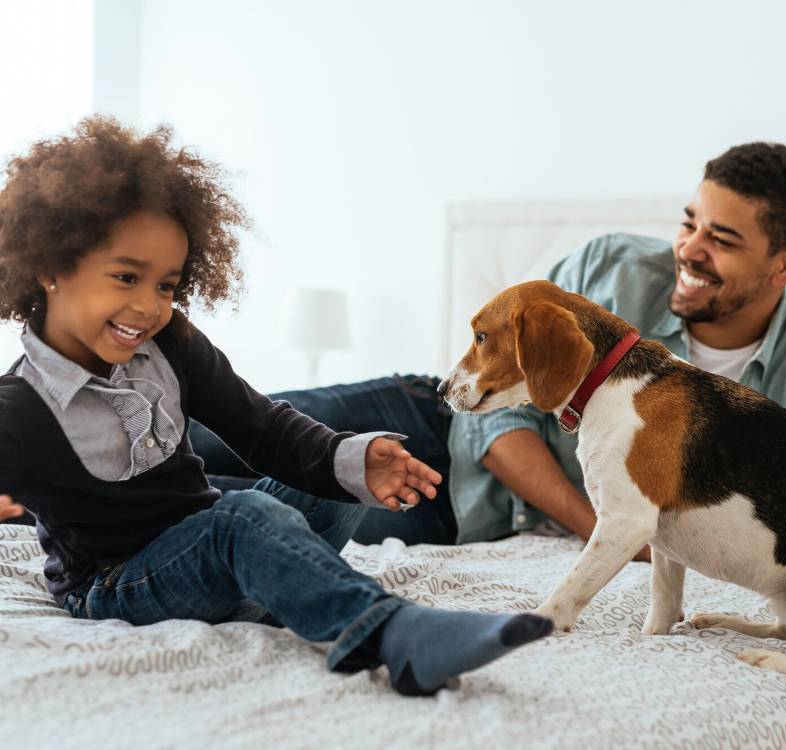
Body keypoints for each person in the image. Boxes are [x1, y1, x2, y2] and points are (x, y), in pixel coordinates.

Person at [0, 116, 552, 697]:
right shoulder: (20, 407)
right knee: (241, 520)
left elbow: (262, 427)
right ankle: (395, 636)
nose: (147, 306)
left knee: (326, 479)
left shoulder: (171, 344)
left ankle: (270, 583)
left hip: (200, 538)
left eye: (165, 285)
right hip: (117, 583)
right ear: (51, 267)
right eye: (125, 277)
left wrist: (351, 459)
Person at [188, 143, 786, 558]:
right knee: (219, 429)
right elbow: (498, 419)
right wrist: (608, 533)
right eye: (691, 222)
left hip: (463, 513)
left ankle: (103, 511)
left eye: (723, 239)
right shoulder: (610, 270)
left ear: (785, 266)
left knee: (243, 513)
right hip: (436, 414)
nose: (689, 249)